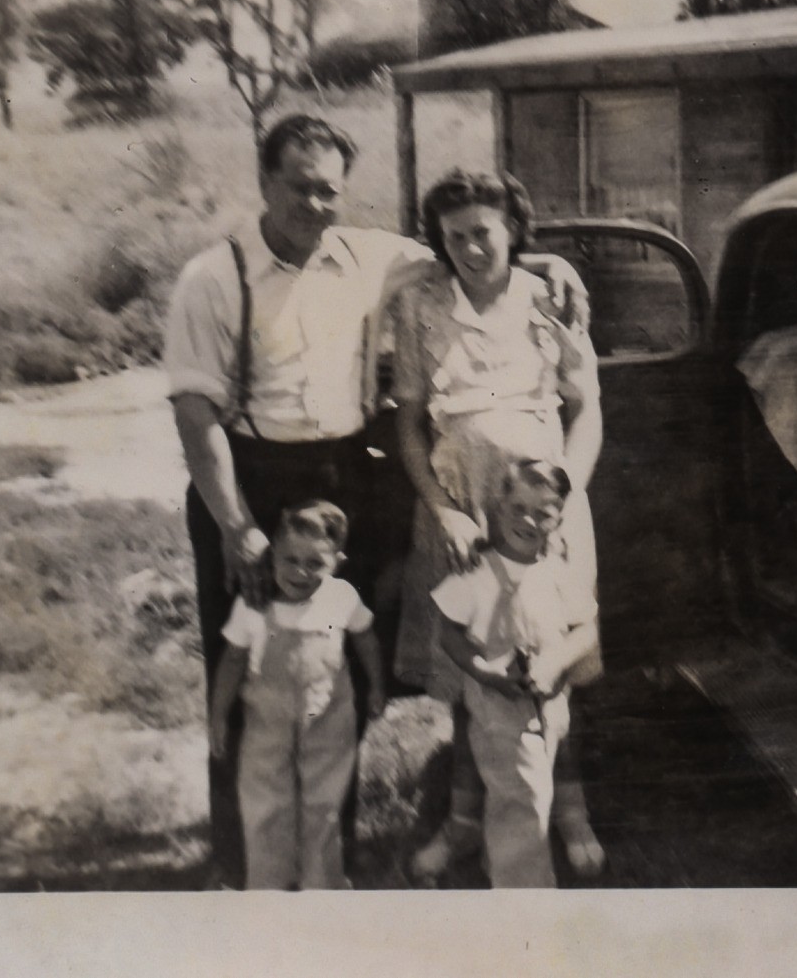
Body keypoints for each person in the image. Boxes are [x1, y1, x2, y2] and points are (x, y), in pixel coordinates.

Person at [163, 116, 585, 887]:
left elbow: (477, 251)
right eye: (300, 187)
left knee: (339, 669)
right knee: (249, 663)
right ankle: (241, 861)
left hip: (343, 475)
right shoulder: (214, 278)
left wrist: (549, 258)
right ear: (263, 181)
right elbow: (196, 417)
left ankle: (330, 851)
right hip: (252, 476)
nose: (317, 204)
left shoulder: (369, 255)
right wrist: (237, 528)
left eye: (330, 189)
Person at [392, 168, 605, 882]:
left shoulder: (551, 296)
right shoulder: (420, 302)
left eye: (483, 232)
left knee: (551, 658)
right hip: (459, 505)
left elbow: (587, 407)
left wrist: (566, 493)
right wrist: (443, 508)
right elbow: (410, 428)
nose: (470, 248)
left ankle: (567, 808)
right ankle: (461, 822)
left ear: (513, 229)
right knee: (470, 670)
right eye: (454, 237)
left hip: (543, 504)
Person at [208, 501, 387, 889]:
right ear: (272, 555)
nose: (300, 572)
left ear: (337, 561)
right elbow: (233, 660)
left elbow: (366, 639)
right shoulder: (254, 604)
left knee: (324, 802)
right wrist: (218, 714)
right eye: (290, 559)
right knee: (265, 800)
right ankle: (269, 885)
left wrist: (375, 686)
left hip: (328, 713)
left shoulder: (341, 598)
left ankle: (320, 885)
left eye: (315, 563)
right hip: (267, 719)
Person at [435, 460, 598, 887]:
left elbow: (586, 630)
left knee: (525, 788)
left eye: (544, 512)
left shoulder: (559, 574)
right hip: (495, 706)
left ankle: (498, 857)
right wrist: (483, 670)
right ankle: (525, 892)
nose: (528, 520)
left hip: (549, 703)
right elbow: (448, 633)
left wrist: (555, 661)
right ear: (496, 508)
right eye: (518, 507)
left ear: (560, 520)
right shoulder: (476, 572)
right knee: (521, 793)